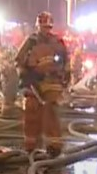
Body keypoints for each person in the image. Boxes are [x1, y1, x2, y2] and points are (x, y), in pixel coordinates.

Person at [15, 11, 70, 156]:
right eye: (43, 27)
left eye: (48, 27)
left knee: (51, 113)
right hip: (33, 83)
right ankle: (31, 146)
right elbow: (19, 60)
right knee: (32, 112)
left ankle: (54, 146)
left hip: (52, 82)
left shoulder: (58, 42)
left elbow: (65, 62)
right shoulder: (31, 41)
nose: (46, 30)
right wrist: (26, 75)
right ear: (38, 26)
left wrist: (64, 79)